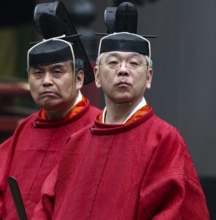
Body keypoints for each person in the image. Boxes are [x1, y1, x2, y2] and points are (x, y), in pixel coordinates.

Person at [32, 32, 210, 219]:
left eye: (134, 63)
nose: (123, 70)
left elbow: (175, 210)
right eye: (113, 63)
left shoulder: (164, 139)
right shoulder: (77, 142)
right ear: (98, 76)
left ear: (149, 77)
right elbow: (46, 207)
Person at [0, 33, 101, 219]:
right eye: (38, 73)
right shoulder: (27, 127)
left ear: (79, 78)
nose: (46, 81)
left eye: (57, 72)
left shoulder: (99, 127)